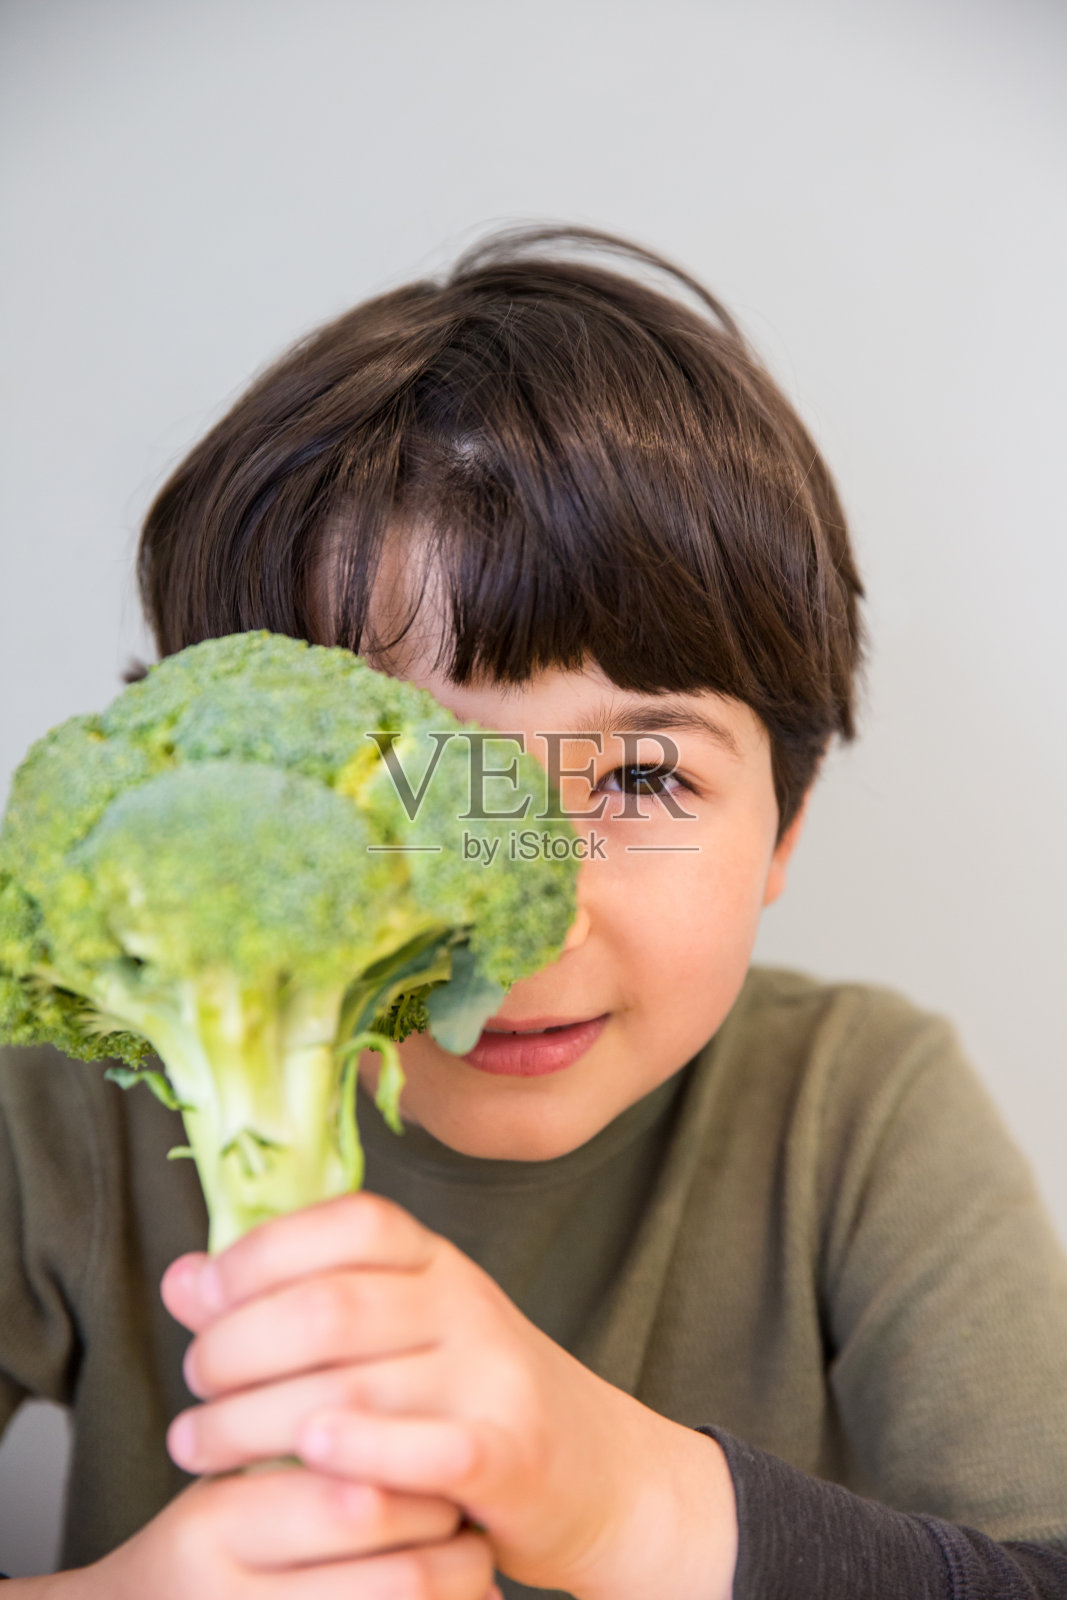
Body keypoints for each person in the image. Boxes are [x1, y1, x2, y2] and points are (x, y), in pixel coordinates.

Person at [1, 223, 1066, 1600]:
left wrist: (623, 1502)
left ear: (785, 827)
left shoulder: (856, 1111)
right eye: (416, 777)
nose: (536, 926)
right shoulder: (66, 1107)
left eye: (641, 776)